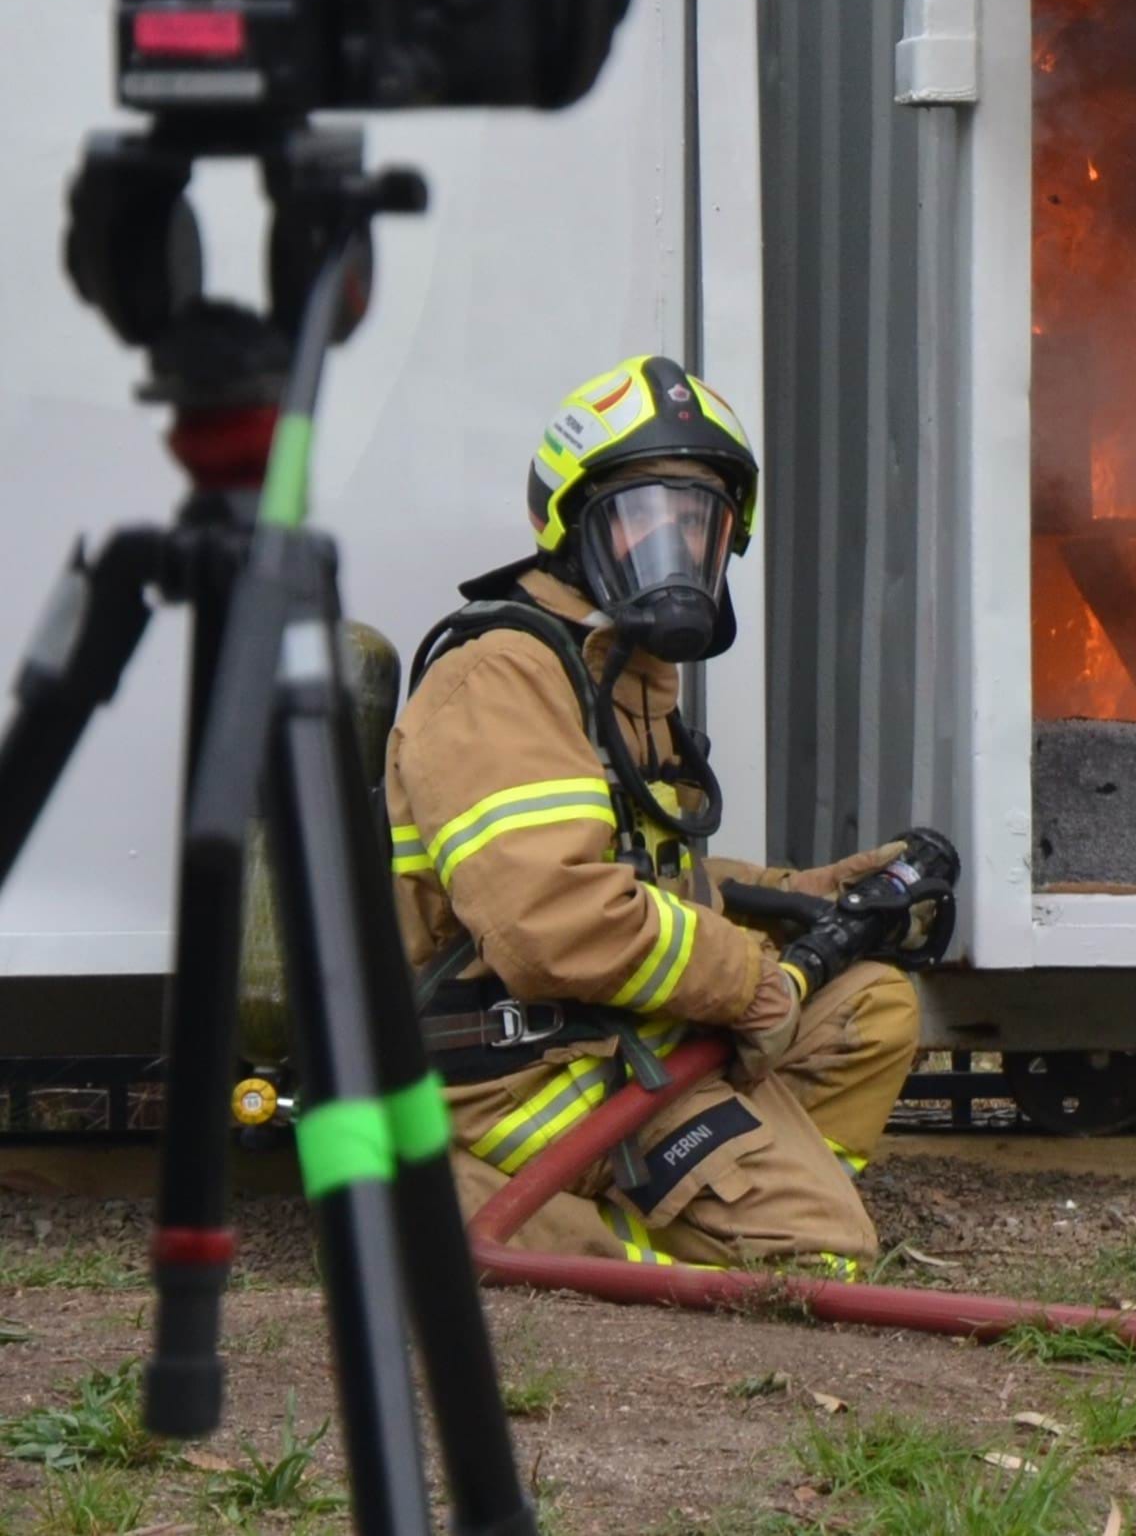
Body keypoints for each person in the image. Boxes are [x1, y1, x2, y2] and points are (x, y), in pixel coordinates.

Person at [384, 355, 936, 1269]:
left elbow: (634, 869)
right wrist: (749, 978)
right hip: (515, 1067)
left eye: (697, 522)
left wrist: (797, 895)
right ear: (572, 525)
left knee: (870, 1006)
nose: (673, 549)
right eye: (644, 517)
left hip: (605, 1030)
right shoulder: (505, 676)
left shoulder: (613, 671)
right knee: (819, 1254)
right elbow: (551, 922)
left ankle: (721, 1191)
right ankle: (499, 1216)